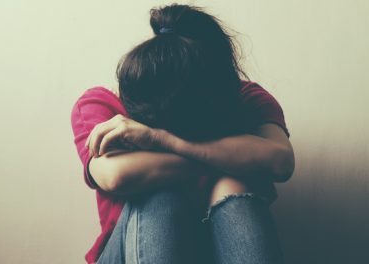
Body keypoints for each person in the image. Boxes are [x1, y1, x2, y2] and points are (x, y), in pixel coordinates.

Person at [70, 4, 295, 264]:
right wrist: (229, 158)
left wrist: (161, 140)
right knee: (162, 195)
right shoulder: (102, 104)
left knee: (232, 188)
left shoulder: (240, 95)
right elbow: (116, 175)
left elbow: (280, 161)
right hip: (127, 251)